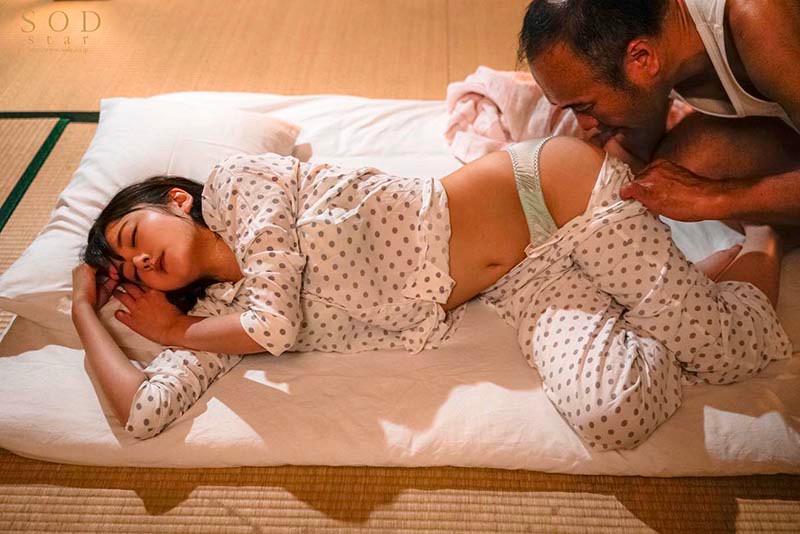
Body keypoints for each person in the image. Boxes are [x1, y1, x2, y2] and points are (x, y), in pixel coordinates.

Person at [72, 137, 791, 450]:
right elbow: (142, 412)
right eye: (131, 270)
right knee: (612, 414)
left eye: (133, 234)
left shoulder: (239, 186)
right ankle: (680, 291)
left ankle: (764, 238)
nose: (139, 259)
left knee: (725, 353)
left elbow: (276, 322)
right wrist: (84, 312)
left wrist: (171, 332)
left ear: (175, 200)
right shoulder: (219, 317)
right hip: (520, 278)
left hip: (551, 194)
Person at [517, 0, 800, 228]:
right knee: (675, 169)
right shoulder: (658, 29)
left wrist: (713, 198)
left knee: (692, 183)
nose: (586, 124)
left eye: (584, 107)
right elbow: (636, 152)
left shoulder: (759, 19)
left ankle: (767, 242)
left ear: (642, 59)